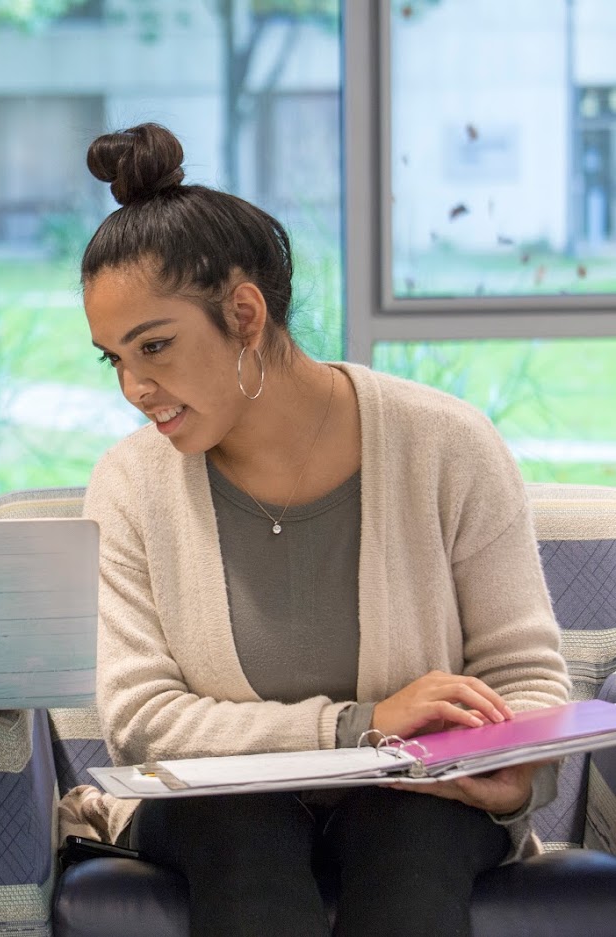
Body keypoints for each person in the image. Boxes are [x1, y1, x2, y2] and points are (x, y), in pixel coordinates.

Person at [79, 123, 569, 937]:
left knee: (408, 831)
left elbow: (523, 673)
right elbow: (141, 717)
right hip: (218, 808)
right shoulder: (129, 484)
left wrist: (512, 774)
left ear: (243, 313)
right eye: (113, 359)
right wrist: (355, 724)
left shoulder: (447, 444)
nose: (134, 386)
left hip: (415, 803)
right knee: (241, 823)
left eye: (154, 347)